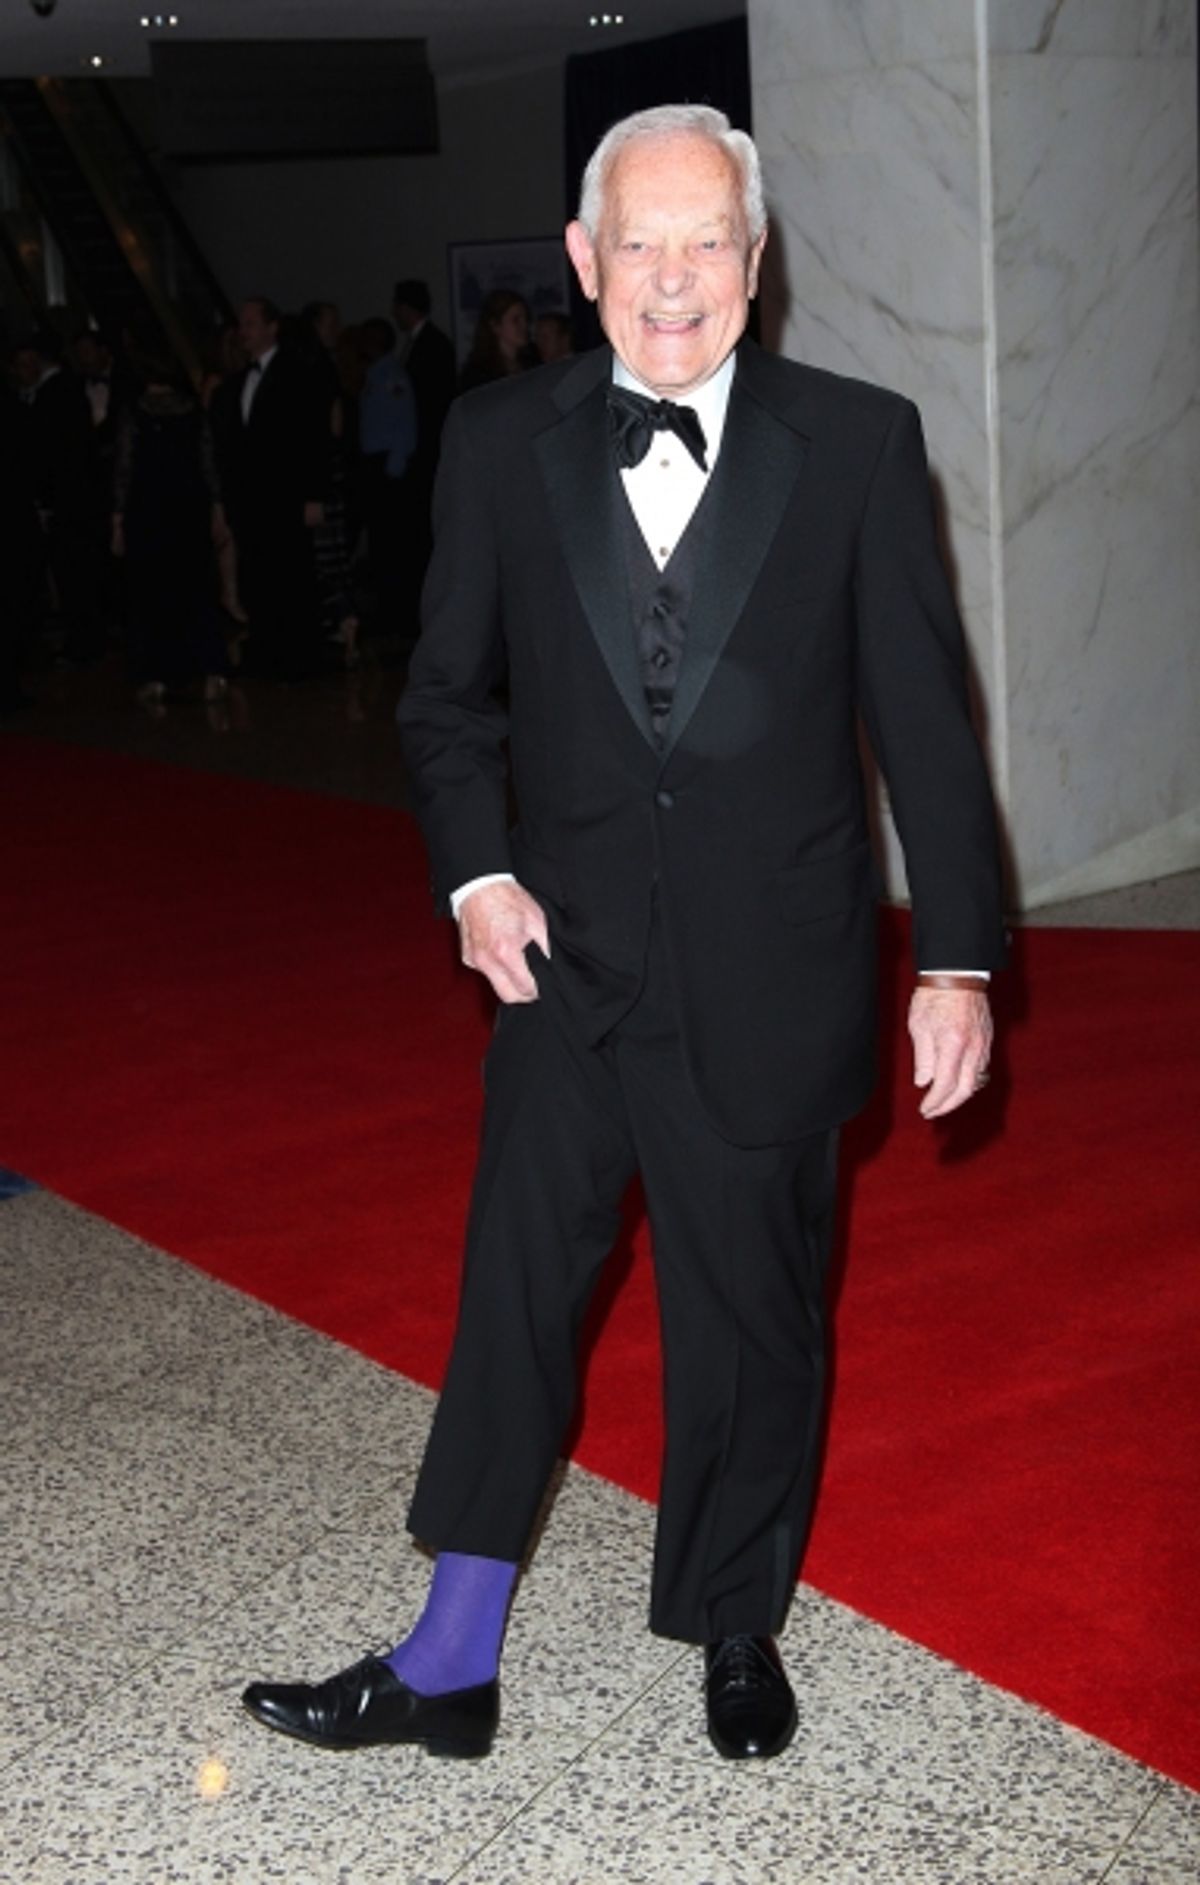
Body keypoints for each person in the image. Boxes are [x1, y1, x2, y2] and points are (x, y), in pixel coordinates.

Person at [243, 105, 1004, 1764]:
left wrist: (957, 960)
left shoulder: (860, 441)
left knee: (754, 1320)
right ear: (584, 264)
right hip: (563, 962)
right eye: (640, 245)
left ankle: (734, 1624)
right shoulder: (503, 441)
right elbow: (446, 706)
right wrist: (474, 876)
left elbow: (926, 727)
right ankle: (451, 1653)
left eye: (708, 242)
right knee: (514, 1292)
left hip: (779, 961)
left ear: (757, 262)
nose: (675, 280)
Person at [110, 339, 229, 707]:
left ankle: (158, 674)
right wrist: (217, 508)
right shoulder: (192, 411)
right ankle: (212, 670)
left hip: (148, 511)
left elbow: (124, 471)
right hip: (188, 509)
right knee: (197, 590)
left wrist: (116, 520)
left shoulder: (136, 412)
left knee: (151, 594)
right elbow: (210, 464)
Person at [222, 297, 331, 680]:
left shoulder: (298, 373)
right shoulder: (235, 382)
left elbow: (314, 438)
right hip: (251, 500)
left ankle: (301, 657)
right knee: (257, 576)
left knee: (293, 574)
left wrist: (315, 494)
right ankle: (266, 652)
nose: (244, 330)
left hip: (287, 495)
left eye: (251, 322)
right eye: (242, 323)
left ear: (272, 328)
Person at [456, 289, 531, 393]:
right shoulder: (478, 374)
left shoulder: (531, 362)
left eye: (525, 319)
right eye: (516, 320)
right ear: (495, 326)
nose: (525, 325)